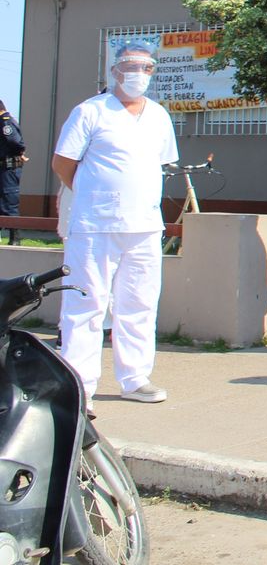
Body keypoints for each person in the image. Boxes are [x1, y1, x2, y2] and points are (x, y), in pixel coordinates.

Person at [51, 41, 178, 406]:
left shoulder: (158, 116)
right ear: (115, 70)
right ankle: (80, 387)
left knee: (138, 303)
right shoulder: (90, 112)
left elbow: (160, 164)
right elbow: (63, 164)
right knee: (86, 304)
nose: (139, 75)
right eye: (131, 67)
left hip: (144, 227)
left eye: (146, 69)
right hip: (95, 226)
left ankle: (135, 378)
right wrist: (95, 195)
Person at [0, 98, 25, 245]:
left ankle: (15, 238)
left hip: (8, 168)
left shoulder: (5, 122)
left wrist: (19, 153)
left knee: (9, 202)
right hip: (3, 168)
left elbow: (16, 143)